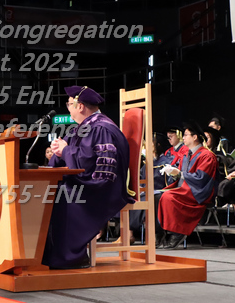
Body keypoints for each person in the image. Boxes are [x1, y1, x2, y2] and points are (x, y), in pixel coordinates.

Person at [42, 85, 135, 269]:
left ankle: (71, 257)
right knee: (48, 190)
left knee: (63, 195)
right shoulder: (82, 128)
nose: (68, 108)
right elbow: (75, 156)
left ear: (80, 106)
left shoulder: (102, 128)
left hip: (103, 187)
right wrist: (59, 152)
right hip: (87, 181)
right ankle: (44, 255)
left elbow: (91, 165)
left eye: (69, 104)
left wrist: (65, 151)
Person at [155, 121, 218, 249]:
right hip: (183, 189)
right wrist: (174, 174)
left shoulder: (207, 156)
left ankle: (177, 233)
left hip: (197, 191)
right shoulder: (186, 154)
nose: (183, 138)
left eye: (186, 135)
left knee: (167, 197)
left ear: (195, 137)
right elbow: (180, 175)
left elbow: (201, 179)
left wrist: (180, 174)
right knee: (155, 196)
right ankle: (159, 233)